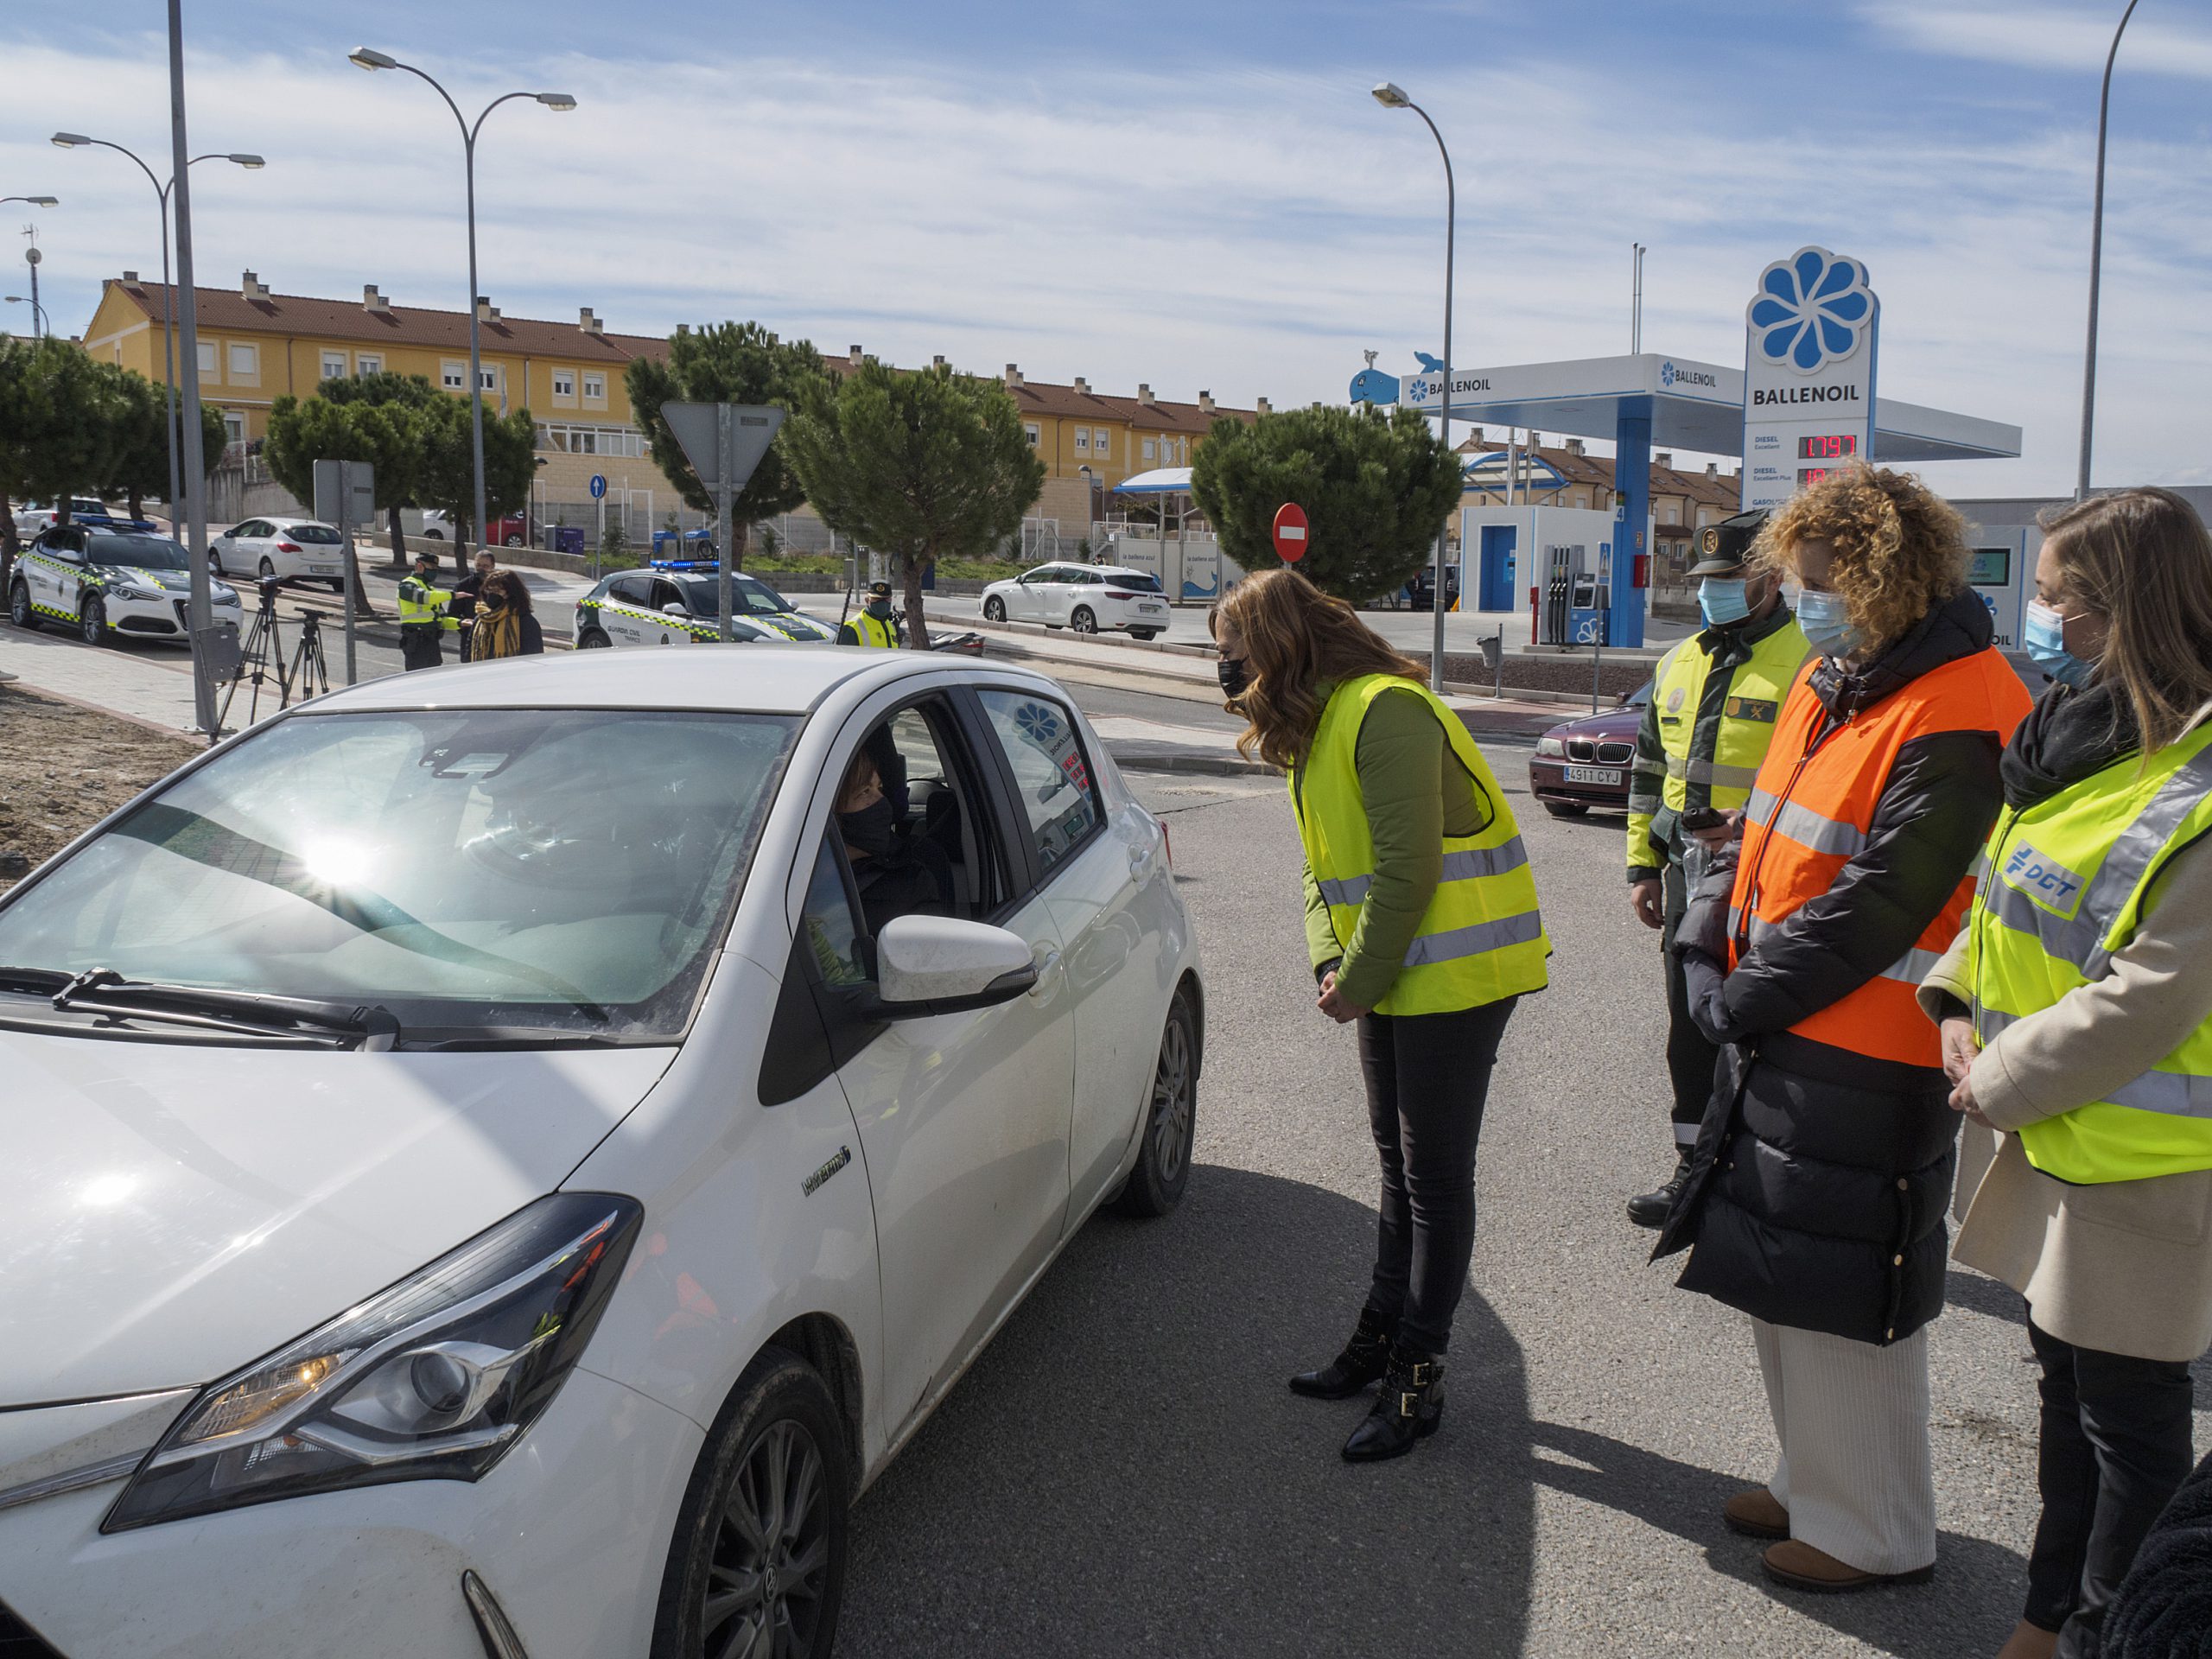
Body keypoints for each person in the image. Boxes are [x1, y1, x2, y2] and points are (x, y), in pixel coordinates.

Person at [1655, 465, 2033, 1592]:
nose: (1804, 600)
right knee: (1792, 1279)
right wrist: (1706, 941)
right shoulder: (1845, 676)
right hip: (1796, 1026)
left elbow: (1882, 901)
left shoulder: (1965, 704)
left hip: (1872, 1046)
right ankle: (1815, 1478)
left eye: (1822, 583)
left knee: (1846, 1296)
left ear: (1885, 579)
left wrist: (1742, 993)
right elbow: (1762, 831)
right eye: (1800, 581)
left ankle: (1872, 1530)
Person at [1916, 488, 2212, 1659]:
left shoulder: (2191, 780)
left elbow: (2153, 992)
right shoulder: (2076, 735)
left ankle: (2111, 1637)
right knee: (2065, 1410)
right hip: (2050, 1142)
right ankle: (2049, 1618)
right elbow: (2008, 894)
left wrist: (1996, 1077)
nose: (2035, 613)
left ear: (2124, 607)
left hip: (2140, 1173)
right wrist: (1950, 998)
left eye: (2056, 595)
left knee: (2133, 1441)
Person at [1211, 569, 1548, 1463]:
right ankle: (1378, 1339)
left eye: (1232, 653)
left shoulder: (1383, 710)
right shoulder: (1316, 728)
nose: (1225, 669)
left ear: (1279, 647)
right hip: (1392, 973)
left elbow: (1408, 871)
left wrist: (1356, 979)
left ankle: (1418, 1374)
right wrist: (1333, 958)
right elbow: (1323, 871)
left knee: (1432, 1180)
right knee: (1398, 1171)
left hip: (1456, 976)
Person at [1624, 508, 1809, 1227]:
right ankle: (1693, 1176)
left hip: (1773, 880)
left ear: (1768, 577)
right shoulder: (1679, 660)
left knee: (1770, 1032)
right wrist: (1642, 864)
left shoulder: (1809, 662)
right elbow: (1648, 772)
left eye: (1728, 579)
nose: (1712, 592)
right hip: (1685, 878)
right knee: (1692, 1031)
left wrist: (1752, 830)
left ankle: (1766, 1181)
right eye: (1705, 580)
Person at [836, 746, 949, 935]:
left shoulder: (911, 881)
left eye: (879, 788)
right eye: (865, 791)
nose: (882, 801)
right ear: (832, 810)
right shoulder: (791, 871)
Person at [397, 547, 459, 671]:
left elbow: (442, 619)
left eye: (436, 569)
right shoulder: (407, 585)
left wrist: (460, 623)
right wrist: (452, 595)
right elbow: (423, 597)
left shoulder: (432, 591)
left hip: (431, 642)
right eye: (432, 568)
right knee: (416, 681)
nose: (434, 572)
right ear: (419, 566)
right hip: (415, 642)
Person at [470, 570, 544, 661]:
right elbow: (468, 652)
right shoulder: (481, 618)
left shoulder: (525, 621)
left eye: (497, 591)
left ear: (511, 593)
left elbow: (534, 656)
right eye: (488, 590)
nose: (491, 595)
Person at [450, 550, 496, 662]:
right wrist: (465, 628)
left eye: (485, 566)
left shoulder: (499, 585)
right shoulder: (463, 586)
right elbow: (453, 613)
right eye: (478, 565)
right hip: (470, 640)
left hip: (494, 640)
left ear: (493, 566)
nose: (481, 569)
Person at [838, 582, 902, 648]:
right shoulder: (852, 628)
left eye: (886, 599)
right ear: (867, 600)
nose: (882, 602)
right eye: (877, 599)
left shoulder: (890, 625)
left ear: (891, 599)